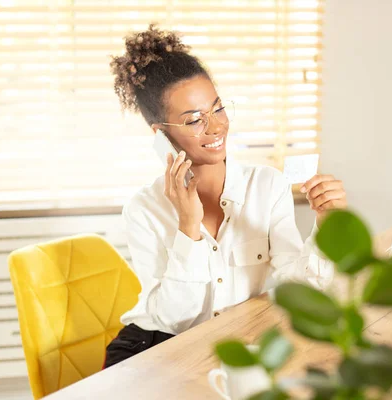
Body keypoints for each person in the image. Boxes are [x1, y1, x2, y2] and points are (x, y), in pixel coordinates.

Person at [104, 24, 347, 368]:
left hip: (235, 346)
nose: (216, 127)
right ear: (160, 134)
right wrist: (188, 226)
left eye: (217, 109)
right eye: (194, 120)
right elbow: (177, 321)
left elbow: (303, 288)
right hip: (156, 347)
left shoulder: (266, 186)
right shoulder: (144, 210)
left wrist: (328, 225)